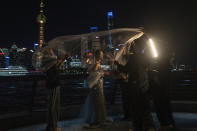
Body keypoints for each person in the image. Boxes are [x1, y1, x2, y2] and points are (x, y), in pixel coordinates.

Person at [118, 40, 155, 131]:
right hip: (144, 85)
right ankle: (148, 126)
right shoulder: (145, 57)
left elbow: (126, 69)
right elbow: (149, 66)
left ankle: (138, 126)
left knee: (136, 108)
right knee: (146, 108)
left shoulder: (134, 57)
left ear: (136, 47)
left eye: (133, 45)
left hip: (135, 86)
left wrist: (117, 64)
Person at [150, 42, 175, 131]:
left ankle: (165, 124)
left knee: (160, 105)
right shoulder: (167, 63)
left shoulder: (163, 63)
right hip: (165, 89)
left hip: (161, 88)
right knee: (166, 105)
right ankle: (169, 123)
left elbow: (161, 76)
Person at [83, 50, 107, 129]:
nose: (102, 55)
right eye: (101, 54)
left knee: (97, 102)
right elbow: (95, 73)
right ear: (98, 55)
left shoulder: (96, 62)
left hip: (98, 85)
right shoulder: (96, 63)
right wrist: (103, 73)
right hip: (97, 86)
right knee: (97, 102)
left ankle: (97, 120)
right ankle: (97, 121)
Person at [45, 48, 67, 131]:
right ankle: (53, 127)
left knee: (52, 106)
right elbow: (55, 69)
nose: (52, 51)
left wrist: (64, 58)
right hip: (54, 85)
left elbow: (57, 67)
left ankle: (50, 126)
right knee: (53, 107)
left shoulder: (48, 61)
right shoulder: (49, 60)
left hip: (52, 85)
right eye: (51, 50)